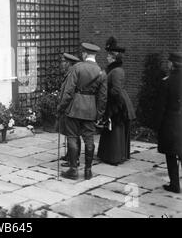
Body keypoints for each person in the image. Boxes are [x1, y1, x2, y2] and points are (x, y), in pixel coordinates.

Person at [57, 43, 107, 180]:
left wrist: (61, 107)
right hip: (90, 110)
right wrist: (99, 114)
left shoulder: (77, 68)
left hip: (75, 108)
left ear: (85, 54)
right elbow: (103, 97)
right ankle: (88, 171)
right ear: (94, 55)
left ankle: (73, 170)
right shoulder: (101, 72)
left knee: (72, 137)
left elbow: (68, 91)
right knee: (89, 140)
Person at [97, 37, 136, 165]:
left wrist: (105, 92)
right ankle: (110, 154)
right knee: (112, 129)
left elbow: (116, 91)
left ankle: (115, 156)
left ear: (113, 58)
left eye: (109, 56)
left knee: (115, 128)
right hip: (115, 101)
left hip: (117, 103)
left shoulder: (117, 71)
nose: (107, 58)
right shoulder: (113, 69)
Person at [154, 52, 182, 194]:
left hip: (171, 122)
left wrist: (157, 126)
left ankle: (175, 184)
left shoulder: (167, 82)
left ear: (172, 64)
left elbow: (161, 107)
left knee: (171, 154)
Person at [57, 53, 82, 167]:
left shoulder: (71, 74)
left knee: (73, 135)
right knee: (70, 134)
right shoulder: (70, 73)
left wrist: (61, 106)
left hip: (70, 108)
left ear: (68, 63)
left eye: (63, 62)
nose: (61, 64)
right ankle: (69, 155)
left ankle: (74, 159)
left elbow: (68, 94)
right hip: (70, 108)